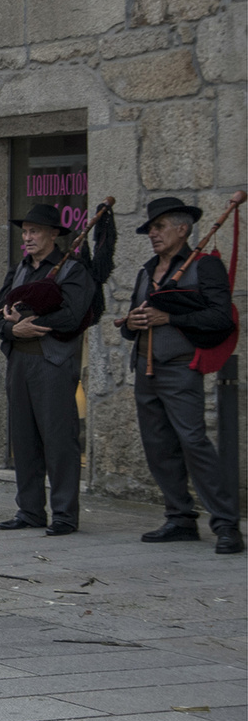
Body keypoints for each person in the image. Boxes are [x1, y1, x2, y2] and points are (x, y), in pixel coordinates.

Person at [120, 197, 241, 554]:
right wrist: (130, 323)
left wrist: (171, 318)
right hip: (145, 367)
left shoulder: (205, 267)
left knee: (194, 442)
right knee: (158, 446)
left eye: (158, 228)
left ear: (182, 228)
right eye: (150, 229)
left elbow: (221, 319)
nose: (152, 235)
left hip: (180, 367)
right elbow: (132, 323)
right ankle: (180, 518)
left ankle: (226, 525)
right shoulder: (147, 271)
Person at [0, 204, 95, 536]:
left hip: (53, 362)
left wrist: (35, 323)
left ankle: (64, 513)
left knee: (60, 438)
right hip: (20, 360)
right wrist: (11, 331)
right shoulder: (18, 270)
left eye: (35, 232)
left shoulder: (72, 269)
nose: (28, 238)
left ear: (54, 235)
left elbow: (75, 315)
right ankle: (30, 509)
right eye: (26, 232)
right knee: (24, 436)